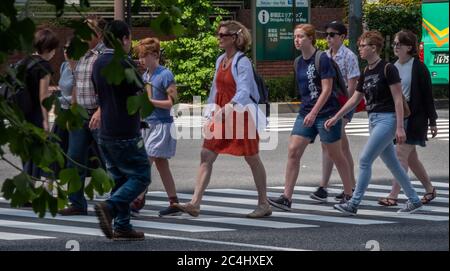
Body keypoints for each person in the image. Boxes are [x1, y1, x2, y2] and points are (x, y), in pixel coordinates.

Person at [173, 20, 272, 218]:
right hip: (222, 113)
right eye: (218, 34)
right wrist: (209, 114)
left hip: (241, 114)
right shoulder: (221, 60)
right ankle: (195, 203)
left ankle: (264, 203)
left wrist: (225, 110)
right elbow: (215, 89)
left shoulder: (242, 62)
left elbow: (244, 92)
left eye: (223, 35)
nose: (219, 38)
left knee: (251, 157)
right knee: (206, 154)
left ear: (235, 38)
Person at [326, 30, 423, 215]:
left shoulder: (388, 68)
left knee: (364, 160)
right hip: (373, 119)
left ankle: (353, 203)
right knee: (393, 163)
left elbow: (397, 99)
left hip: (388, 120)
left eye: (363, 46)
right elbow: (354, 99)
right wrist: (336, 117)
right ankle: (414, 199)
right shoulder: (366, 71)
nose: (360, 49)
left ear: (373, 48)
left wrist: (400, 127)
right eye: (360, 46)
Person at [268, 24, 353, 211]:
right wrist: (309, 111)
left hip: (326, 113)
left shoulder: (322, 59)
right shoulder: (298, 61)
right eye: (295, 37)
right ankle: (286, 197)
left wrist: (315, 112)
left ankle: (349, 195)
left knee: (335, 154)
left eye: (300, 36)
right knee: (293, 151)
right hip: (306, 112)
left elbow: (327, 89)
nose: (296, 40)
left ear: (311, 38)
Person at [93, 20, 151, 241]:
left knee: (119, 179)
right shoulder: (124, 64)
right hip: (125, 130)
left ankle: (123, 226)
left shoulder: (98, 63)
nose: (130, 42)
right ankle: (111, 207)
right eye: (129, 37)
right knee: (141, 175)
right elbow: (138, 97)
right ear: (123, 39)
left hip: (105, 130)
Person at [378, 30, 438, 207]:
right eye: (395, 43)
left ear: (409, 47)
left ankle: (393, 195)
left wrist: (432, 121)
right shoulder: (393, 66)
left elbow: (428, 96)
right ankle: (429, 189)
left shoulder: (419, 68)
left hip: (415, 117)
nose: (396, 46)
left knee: (400, 156)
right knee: (411, 159)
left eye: (400, 44)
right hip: (399, 116)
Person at [58, 16, 106, 216]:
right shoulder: (82, 55)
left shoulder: (104, 55)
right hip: (81, 115)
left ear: (98, 34)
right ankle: (76, 202)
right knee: (74, 158)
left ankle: (123, 200)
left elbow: (108, 87)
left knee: (109, 159)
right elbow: (77, 84)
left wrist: (100, 111)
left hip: (99, 114)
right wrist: (74, 111)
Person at [310, 21, 359, 203]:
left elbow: (352, 87)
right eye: (326, 34)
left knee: (336, 146)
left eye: (332, 35)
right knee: (335, 145)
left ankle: (337, 187)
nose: (328, 38)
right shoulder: (324, 56)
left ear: (343, 37)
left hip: (343, 106)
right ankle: (344, 186)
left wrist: (345, 112)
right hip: (329, 106)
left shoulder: (349, 56)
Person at [132, 37, 180, 217]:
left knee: (145, 162)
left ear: (155, 55)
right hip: (148, 125)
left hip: (161, 125)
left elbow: (172, 103)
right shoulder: (145, 76)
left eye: (144, 56)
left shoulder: (165, 74)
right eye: (140, 56)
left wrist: (150, 102)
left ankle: (137, 198)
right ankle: (173, 201)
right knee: (161, 164)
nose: (141, 60)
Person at [22, 28, 59, 182]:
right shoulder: (44, 66)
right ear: (49, 49)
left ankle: (26, 188)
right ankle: (28, 189)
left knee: (26, 152)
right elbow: (43, 95)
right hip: (35, 114)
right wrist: (45, 120)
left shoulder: (25, 62)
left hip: (21, 113)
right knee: (37, 152)